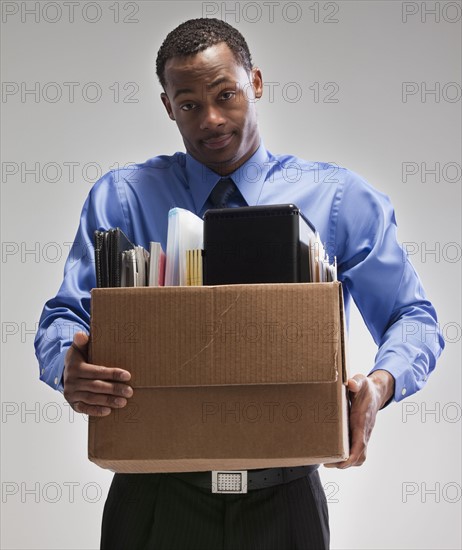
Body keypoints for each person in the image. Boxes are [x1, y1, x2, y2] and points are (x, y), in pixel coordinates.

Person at [34, 17, 444, 550]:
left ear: (255, 82)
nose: (211, 119)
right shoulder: (124, 198)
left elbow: (413, 318)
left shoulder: (339, 198)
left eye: (226, 94)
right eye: (188, 104)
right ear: (167, 106)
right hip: (154, 497)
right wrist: (68, 361)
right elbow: (64, 316)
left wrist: (381, 384)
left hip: (286, 499)